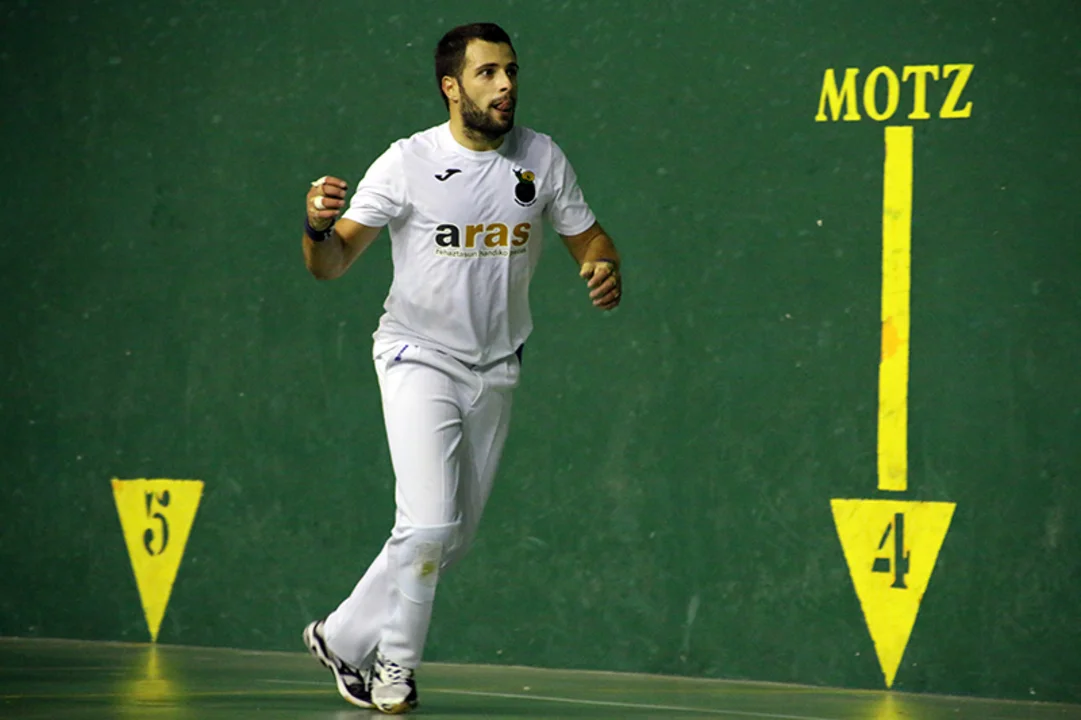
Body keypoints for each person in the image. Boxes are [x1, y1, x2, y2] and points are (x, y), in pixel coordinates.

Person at [299, 22, 622, 715]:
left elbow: (589, 237)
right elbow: (331, 264)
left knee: (451, 536)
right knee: (426, 523)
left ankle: (342, 636)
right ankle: (396, 667)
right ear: (451, 87)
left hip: (497, 365)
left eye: (511, 71)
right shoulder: (406, 162)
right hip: (417, 354)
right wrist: (316, 228)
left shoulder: (540, 157)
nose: (505, 85)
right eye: (487, 73)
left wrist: (602, 266)